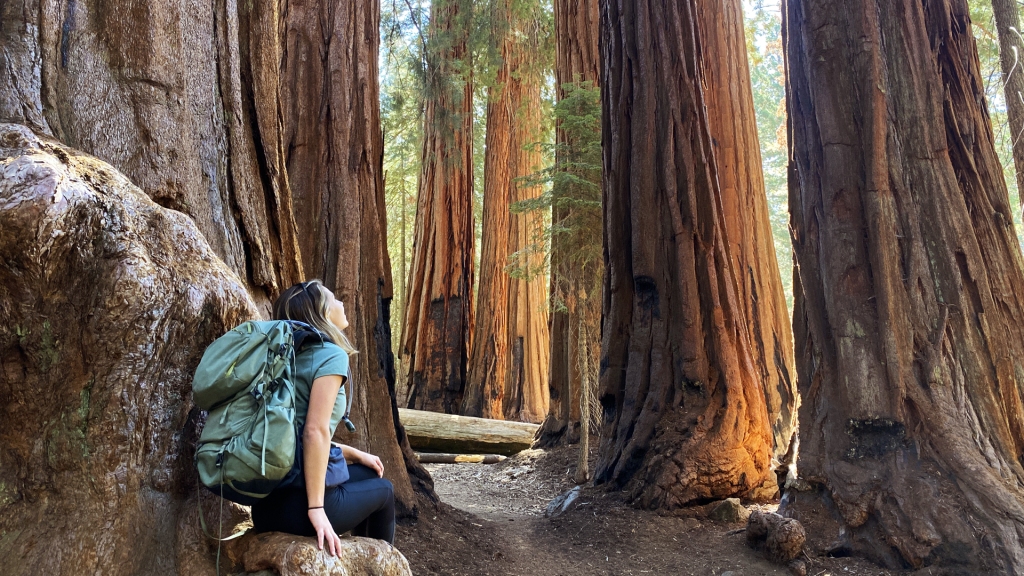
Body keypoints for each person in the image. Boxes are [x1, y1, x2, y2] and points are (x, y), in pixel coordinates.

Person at [250, 280, 395, 555]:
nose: (341, 304)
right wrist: (316, 509)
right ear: (323, 313)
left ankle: (354, 560)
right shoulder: (331, 356)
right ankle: (376, 565)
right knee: (385, 491)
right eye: (335, 299)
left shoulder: (280, 358)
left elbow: (292, 432)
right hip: (299, 510)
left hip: (265, 505)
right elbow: (314, 432)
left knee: (368, 471)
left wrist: (355, 454)